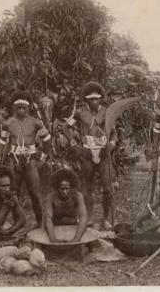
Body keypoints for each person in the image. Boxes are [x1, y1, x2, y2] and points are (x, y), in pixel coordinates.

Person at [65, 81, 117, 230]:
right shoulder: (80, 113)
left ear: (101, 98)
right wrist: (74, 144)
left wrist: (112, 144)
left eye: (97, 98)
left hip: (103, 153)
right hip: (87, 153)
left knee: (108, 188)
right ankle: (88, 218)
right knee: (87, 187)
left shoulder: (107, 112)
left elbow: (113, 132)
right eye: (91, 99)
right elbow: (66, 127)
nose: (94, 101)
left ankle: (106, 219)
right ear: (86, 99)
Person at [0, 90, 52, 226]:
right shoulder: (8, 123)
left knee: (35, 194)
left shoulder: (36, 123)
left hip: (30, 161)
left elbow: (48, 140)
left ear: (29, 108)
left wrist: (43, 158)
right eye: (18, 108)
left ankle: (40, 224)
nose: (21, 111)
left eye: (24, 108)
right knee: (14, 194)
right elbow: (2, 143)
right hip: (13, 161)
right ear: (14, 108)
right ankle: (18, 224)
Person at [43, 169, 88, 243]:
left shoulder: (77, 196)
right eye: (62, 189)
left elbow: (84, 216)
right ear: (57, 187)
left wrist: (76, 239)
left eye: (67, 189)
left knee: (88, 231)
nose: (64, 191)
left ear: (71, 188)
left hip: (72, 225)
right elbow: (48, 217)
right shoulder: (51, 197)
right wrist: (52, 239)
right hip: (55, 226)